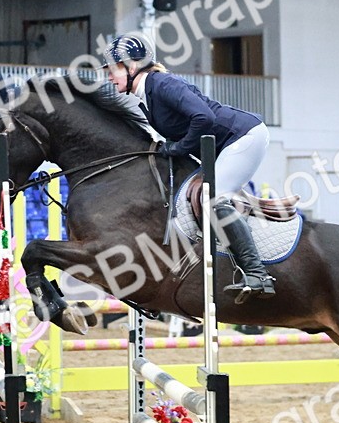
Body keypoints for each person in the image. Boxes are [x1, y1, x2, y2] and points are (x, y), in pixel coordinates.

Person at [103, 33, 273, 302]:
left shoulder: (160, 83)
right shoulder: (147, 93)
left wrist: (179, 148)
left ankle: (257, 272)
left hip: (243, 136)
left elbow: (203, 117)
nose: (109, 77)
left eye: (113, 70)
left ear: (132, 66)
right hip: (222, 144)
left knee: (213, 197)